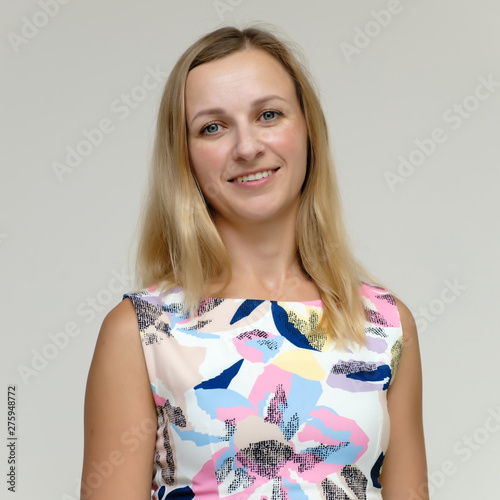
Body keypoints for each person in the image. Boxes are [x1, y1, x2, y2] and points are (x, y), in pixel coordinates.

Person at [81, 24, 428, 500]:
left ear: (308, 130)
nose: (246, 148)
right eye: (213, 127)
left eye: (268, 114)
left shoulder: (386, 325)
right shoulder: (142, 331)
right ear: (184, 158)